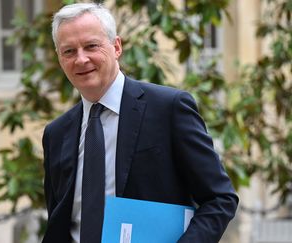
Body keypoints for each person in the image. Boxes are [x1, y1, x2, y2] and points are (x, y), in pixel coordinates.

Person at [42, 3, 239, 243]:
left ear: (116, 47)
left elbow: (220, 198)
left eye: (91, 46)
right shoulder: (56, 133)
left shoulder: (169, 109)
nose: (81, 59)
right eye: (69, 51)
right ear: (60, 59)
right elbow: (59, 220)